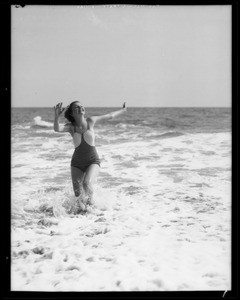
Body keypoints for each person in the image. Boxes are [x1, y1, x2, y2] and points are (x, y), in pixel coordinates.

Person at [53, 101, 127, 213]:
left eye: (81, 106)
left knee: (86, 184)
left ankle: (93, 210)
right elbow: (57, 129)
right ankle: (79, 215)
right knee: (78, 196)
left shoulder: (91, 121)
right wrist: (56, 116)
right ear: (72, 113)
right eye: (77, 107)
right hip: (76, 164)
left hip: (93, 161)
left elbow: (109, 116)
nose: (81, 107)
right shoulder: (71, 127)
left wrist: (123, 110)